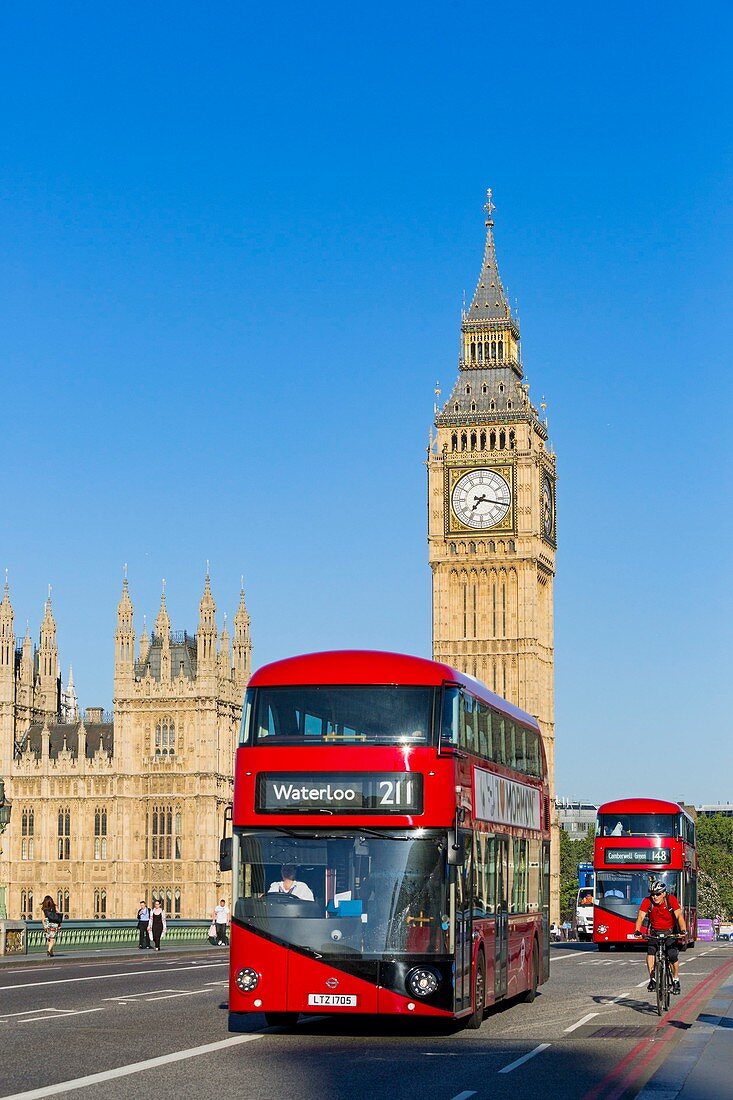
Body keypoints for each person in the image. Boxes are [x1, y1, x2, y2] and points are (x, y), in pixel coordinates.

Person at [633, 879, 687, 995]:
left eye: (657, 894)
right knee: (651, 952)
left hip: (670, 931)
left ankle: (676, 980)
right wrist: (637, 931)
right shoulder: (647, 901)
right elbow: (640, 917)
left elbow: (679, 916)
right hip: (654, 931)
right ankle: (652, 979)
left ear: (664, 893)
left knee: (672, 955)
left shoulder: (671, 899)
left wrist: (683, 930)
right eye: (652, 894)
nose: (655, 897)